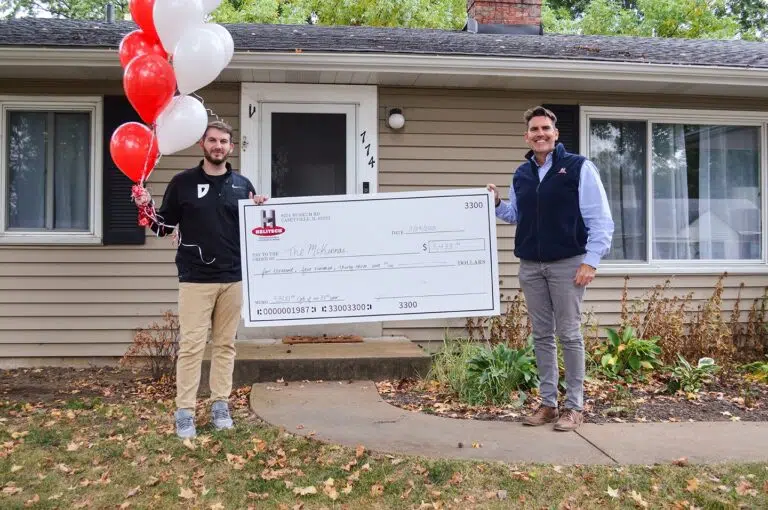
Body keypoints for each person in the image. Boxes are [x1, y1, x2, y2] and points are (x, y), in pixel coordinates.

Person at [487, 106, 613, 432]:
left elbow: (601, 220)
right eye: (534, 129)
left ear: (556, 134)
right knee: (542, 336)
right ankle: (548, 404)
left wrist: (590, 261)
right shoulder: (521, 173)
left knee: (569, 335)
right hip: (531, 265)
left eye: (545, 129)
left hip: (568, 265)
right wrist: (498, 203)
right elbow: (517, 215)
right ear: (526, 135)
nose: (540, 134)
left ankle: (575, 407)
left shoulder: (578, 168)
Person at [142, 120, 268, 439]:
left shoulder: (243, 185)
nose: (218, 146)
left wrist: (260, 209)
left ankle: (219, 405)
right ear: (202, 144)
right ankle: (185, 411)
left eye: (224, 141)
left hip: (234, 279)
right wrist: (145, 206)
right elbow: (161, 227)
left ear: (231, 147)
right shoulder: (183, 183)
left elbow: (257, 231)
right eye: (212, 140)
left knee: (225, 345)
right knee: (192, 346)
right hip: (196, 279)